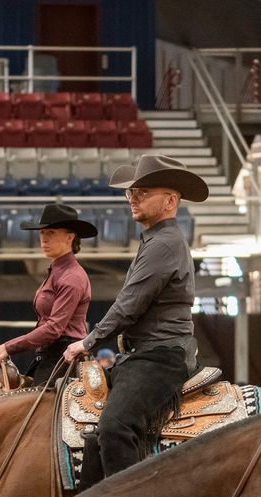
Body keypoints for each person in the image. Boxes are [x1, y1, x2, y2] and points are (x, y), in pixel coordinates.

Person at [62, 154, 209, 477]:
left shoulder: (164, 245)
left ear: (170, 201)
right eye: (131, 193)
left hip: (160, 356)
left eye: (143, 192)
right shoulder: (158, 240)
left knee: (115, 427)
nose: (132, 198)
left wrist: (86, 342)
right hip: (145, 355)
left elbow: (129, 306)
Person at [0, 203, 95, 381]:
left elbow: (53, 329)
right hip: (50, 358)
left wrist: (8, 347)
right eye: (42, 233)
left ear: (70, 237)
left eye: (51, 233)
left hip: (63, 360)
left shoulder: (71, 277)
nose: (44, 239)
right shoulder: (58, 272)